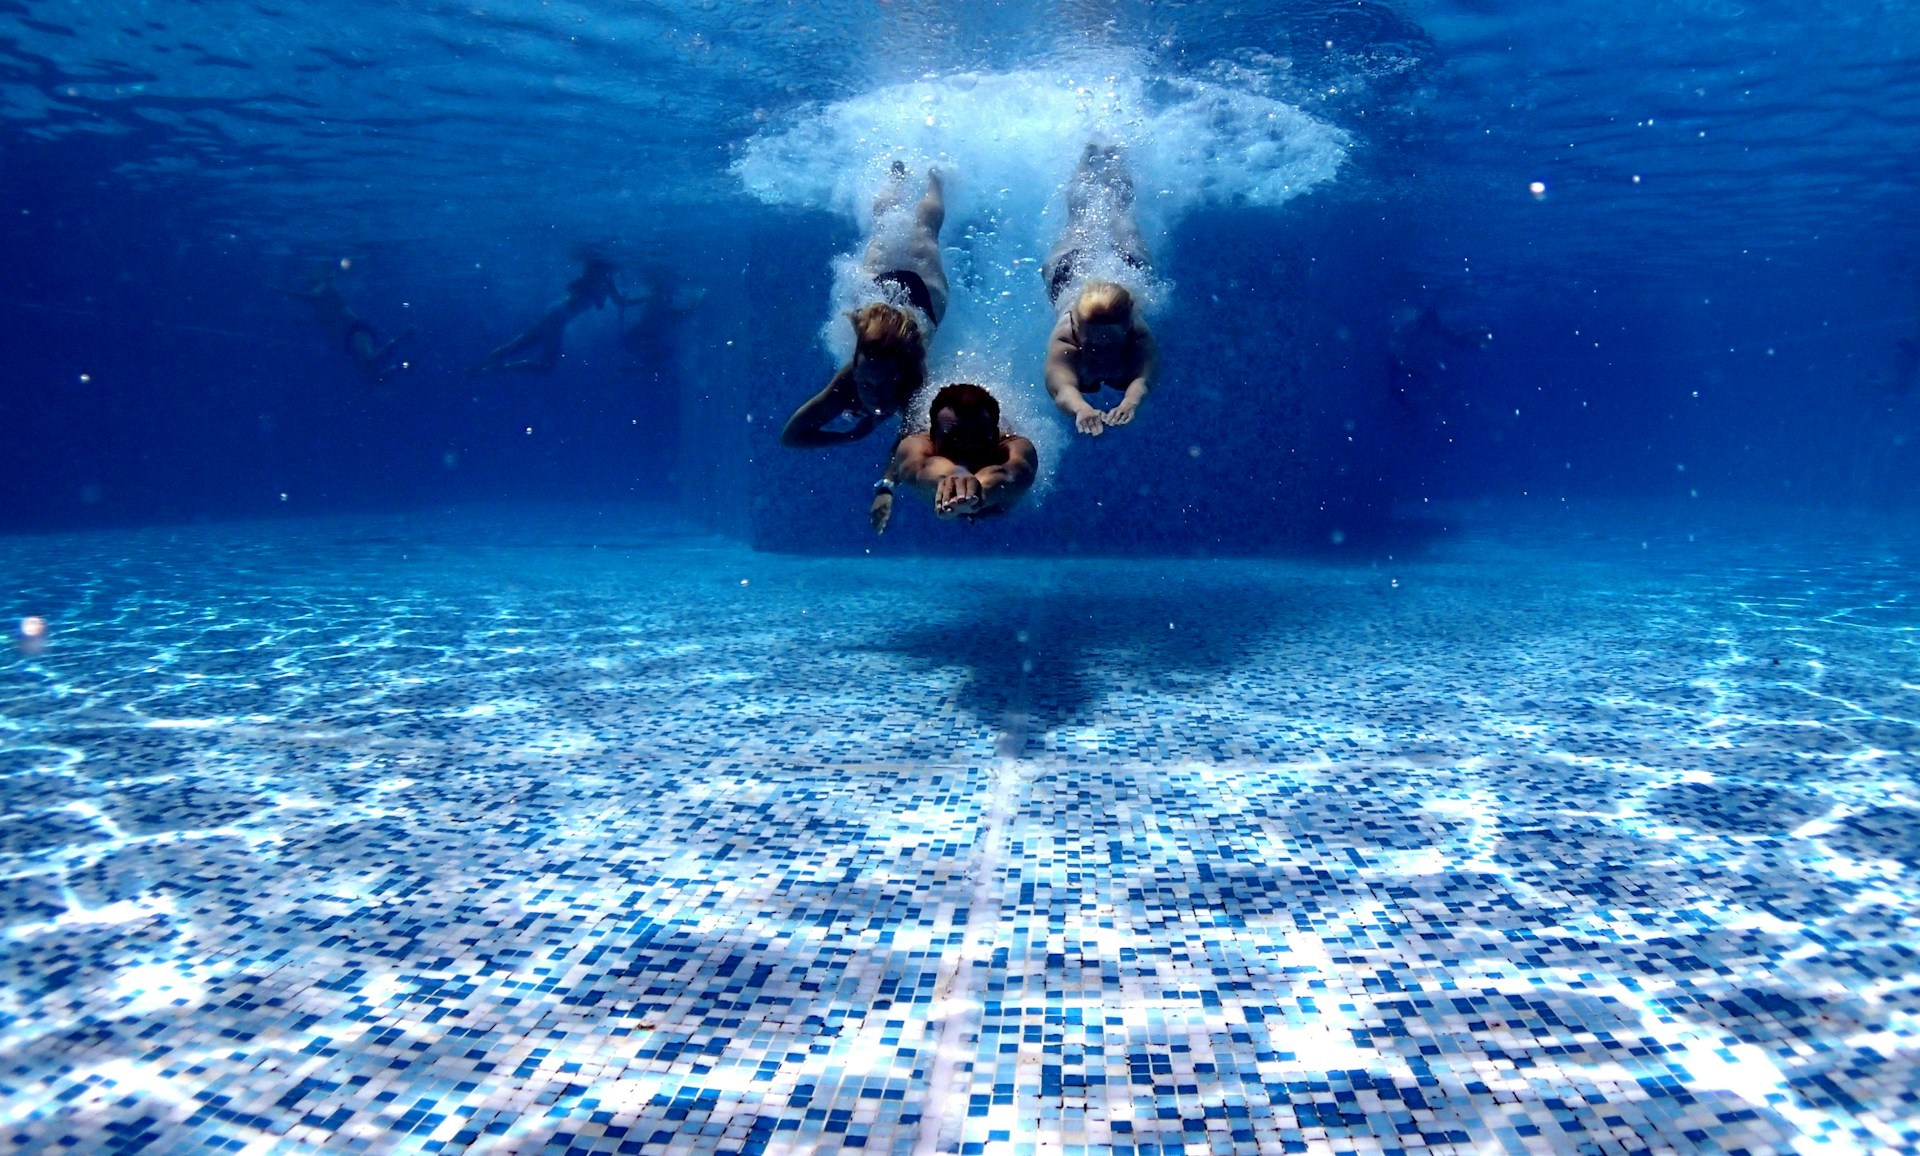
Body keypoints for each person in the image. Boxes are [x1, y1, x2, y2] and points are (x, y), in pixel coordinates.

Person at [782, 164, 948, 447]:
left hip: (921, 292)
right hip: (908, 294)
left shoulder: (915, 384)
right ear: (856, 375)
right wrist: (850, 435)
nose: (875, 396)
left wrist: (886, 485)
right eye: (866, 385)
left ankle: (935, 181)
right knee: (897, 226)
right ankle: (909, 179)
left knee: (918, 229)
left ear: (901, 375)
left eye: (885, 385)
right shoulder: (848, 380)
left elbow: (906, 445)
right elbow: (791, 437)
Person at [1041, 144, 1158, 436]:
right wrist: (1080, 407)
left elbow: (1143, 379)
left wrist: (1131, 401)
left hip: (1119, 264)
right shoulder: (1065, 338)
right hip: (1069, 268)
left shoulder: (1139, 335)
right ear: (1077, 329)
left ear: (1128, 328)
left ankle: (1116, 156)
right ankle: (1088, 155)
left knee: (1121, 209)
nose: (1102, 350)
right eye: (1095, 341)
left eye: (1111, 342)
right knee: (1079, 214)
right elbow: (1061, 387)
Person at [870, 383, 1037, 533]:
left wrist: (978, 489)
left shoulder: (1014, 446)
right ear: (932, 436)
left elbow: (1011, 474)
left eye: (977, 439)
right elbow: (923, 466)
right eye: (952, 440)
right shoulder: (916, 445)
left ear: (995, 437)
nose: (965, 448)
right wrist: (886, 489)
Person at [470, 255, 639, 374]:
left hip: (555, 317)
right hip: (557, 318)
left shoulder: (606, 282)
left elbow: (621, 303)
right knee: (544, 365)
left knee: (518, 347)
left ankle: (479, 368)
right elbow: (572, 287)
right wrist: (596, 296)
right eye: (608, 269)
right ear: (600, 268)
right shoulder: (589, 280)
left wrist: (650, 297)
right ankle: (492, 369)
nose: (612, 272)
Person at [273, 271, 415, 385]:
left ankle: (403, 340)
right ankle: (402, 364)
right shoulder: (320, 304)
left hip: (356, 329)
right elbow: (324, 320)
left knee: (369, 363)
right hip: (351, 335)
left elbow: (310, 298)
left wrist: (279, 290)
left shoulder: (324, 289)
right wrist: (305, 322)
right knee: (371, 376)